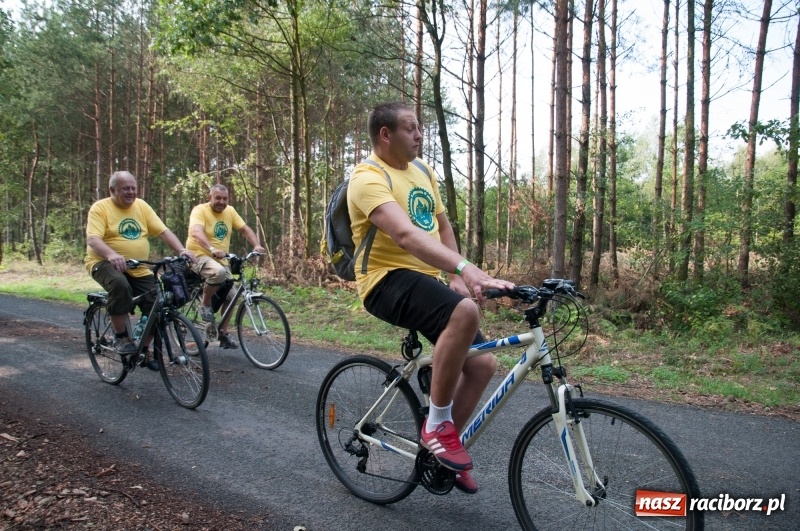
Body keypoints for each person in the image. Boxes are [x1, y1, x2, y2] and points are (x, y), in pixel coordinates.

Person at [347, 102, 515, 494]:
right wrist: (464, 271)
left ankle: (438, 451)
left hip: (424, 279)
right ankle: (438, 425)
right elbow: (405, 235)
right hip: (382, 281)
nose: (420, 134)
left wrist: (455, 274)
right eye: (411, 128)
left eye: (419, 127)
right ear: (385, 134)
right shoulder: (367, 176)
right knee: (464, 312)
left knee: (483, 364)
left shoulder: (423, 172)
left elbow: (441, 226)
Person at [85, 171, 197, 369]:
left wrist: (181, 250)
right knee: (120, 285)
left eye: (133, 188)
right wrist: (111, 254)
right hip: (103, 262)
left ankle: (143, 351)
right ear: (112, 190)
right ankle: (121, 337)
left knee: (157, 303)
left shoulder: (141, 206)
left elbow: (163, 231)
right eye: (125, 188)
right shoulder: (100, 208)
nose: (131, 192)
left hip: (138, 265)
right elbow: (93, 238)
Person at [185, 183, 266, 349]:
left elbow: (244, 229)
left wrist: (257, 245)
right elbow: (196, 232)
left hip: (220, 260)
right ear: (210, 198)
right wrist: (212, 248)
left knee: (231, 296)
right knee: (219, 272)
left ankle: (223, 333)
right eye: (218, 198)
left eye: (225, 198)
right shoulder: (200, 210)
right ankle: (205, 305)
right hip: (199, 256)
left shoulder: (230, 211)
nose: (221, 202)